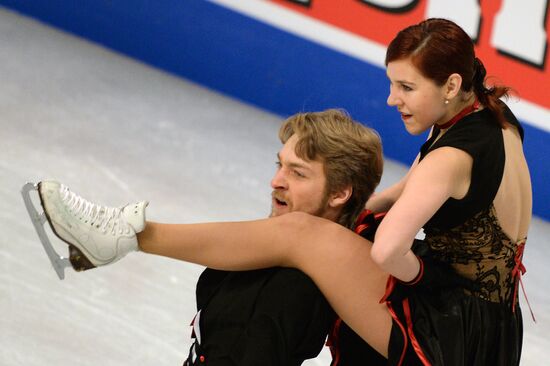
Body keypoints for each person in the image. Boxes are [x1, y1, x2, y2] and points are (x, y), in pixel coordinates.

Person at [30, 18, 531, 365]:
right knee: (313, 239)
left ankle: (124, 236)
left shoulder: (450, 155)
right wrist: (361, 215)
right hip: (494, 325)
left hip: (452, 329)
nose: (391, 98)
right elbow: (413, 186)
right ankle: (117, 238)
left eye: (405, 87)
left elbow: (387, 250)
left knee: (298, 236)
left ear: (450, 83)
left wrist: (421, 274)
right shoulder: (491, 119)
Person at [31, 110, 387, 365]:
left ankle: (119, 237)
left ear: (340, 194)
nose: (276, 181)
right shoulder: (261, 250)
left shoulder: (291, 288)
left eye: (298, 173)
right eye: (279, 164)